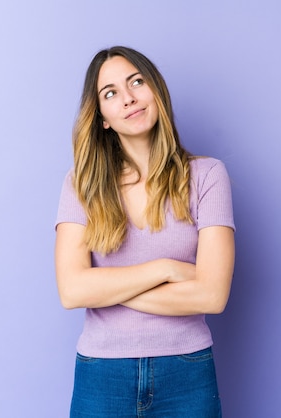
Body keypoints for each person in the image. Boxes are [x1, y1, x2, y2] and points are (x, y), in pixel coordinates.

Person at [54, 46, 235, 417]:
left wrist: (105, 288)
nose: (129, 99)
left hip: (187, 372)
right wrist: (166, 269)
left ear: (156, 90)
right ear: (102, 116)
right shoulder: (81, 185)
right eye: (111, 93)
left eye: (137, 81)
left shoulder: (208, 176)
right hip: (102, 374)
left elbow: (213, 296)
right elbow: (72, 291)